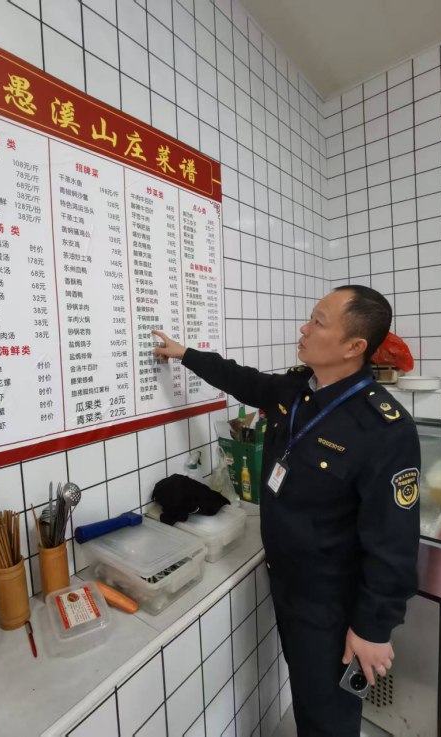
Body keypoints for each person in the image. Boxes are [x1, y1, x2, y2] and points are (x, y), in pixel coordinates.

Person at [152, 285, 420, 737]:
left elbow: (394, 543)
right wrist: (185, 354)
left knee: (328, 718)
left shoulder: (383, 429)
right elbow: (243, 380)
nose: (303, 328)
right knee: (309, 700)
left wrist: (373, 629)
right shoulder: (298, 389)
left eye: (318, 322)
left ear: (354, 347)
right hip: (287, 584)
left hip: (332, 604)